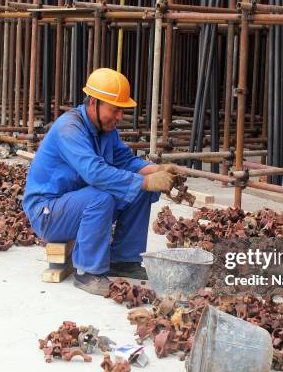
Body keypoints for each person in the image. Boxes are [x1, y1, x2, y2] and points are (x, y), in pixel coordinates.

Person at [23, 68, 177, 296]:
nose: (119, 117)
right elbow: (95, 173)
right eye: (114, 110)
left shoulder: (105, 129)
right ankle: (87, 272)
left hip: (77, 204)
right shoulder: (70, 128)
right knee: (104, 195)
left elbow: (125, 161)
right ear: (94, 103)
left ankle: (124, 260)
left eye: (120, 111)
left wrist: (158, 170)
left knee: (139, 190)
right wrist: (146, 182)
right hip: (48, 213)